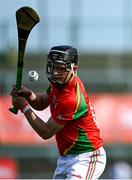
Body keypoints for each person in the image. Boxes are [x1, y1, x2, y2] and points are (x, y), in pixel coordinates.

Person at [11, 45, 106, 179]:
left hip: (87, 157)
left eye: (61, 68)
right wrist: (28, 94)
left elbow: (45, 132)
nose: (55, 72)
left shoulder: (71, 99)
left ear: (74, 69)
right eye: (53, 66)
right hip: (66, 158)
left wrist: (24, 107)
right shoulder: (60, 83)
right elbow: (41, 102)